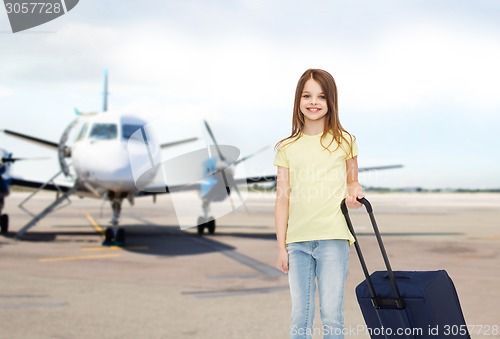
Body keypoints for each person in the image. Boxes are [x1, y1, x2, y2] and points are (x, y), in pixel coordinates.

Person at [274, 68, 364, 339]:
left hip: (333, 239)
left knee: (331, 316)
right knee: (299, 317)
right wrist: (281, 247)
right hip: (297, 243)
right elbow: (282, 200)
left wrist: (355, 194)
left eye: (321, 96)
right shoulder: (286, 147)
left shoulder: (345, 141)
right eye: (307, 95)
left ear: (330, 102)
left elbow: (353, 183)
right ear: (298, 101)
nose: (314, 102)